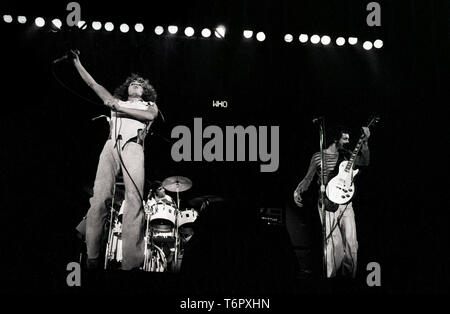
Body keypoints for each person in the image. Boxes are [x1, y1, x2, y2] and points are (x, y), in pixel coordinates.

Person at [71, 50, 159, 270]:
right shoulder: (114, 100)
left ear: (145, 90)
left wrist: (118, 107)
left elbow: (150, 117)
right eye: (133, 83)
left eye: (140, 84)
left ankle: (131, 265)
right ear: (126, 89)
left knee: (134, 201)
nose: (136, 84)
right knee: (99, 199)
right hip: (111, 145)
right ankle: (92, 256)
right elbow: (93, 84)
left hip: (133, 146)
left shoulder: (148, 105)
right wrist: (77, 62)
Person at [293, 125, 370, 278]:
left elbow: (364, 162)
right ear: (336, 139)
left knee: (351, 243)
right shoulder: (318, 156)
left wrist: (365, 143)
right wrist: (299, 189)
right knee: (334, 244)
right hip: (328, 204)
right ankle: (331, 277)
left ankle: (350, 277)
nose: (348, 142)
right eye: (345, 139)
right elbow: (308, 177)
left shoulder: (347, 155)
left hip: (346, 203)